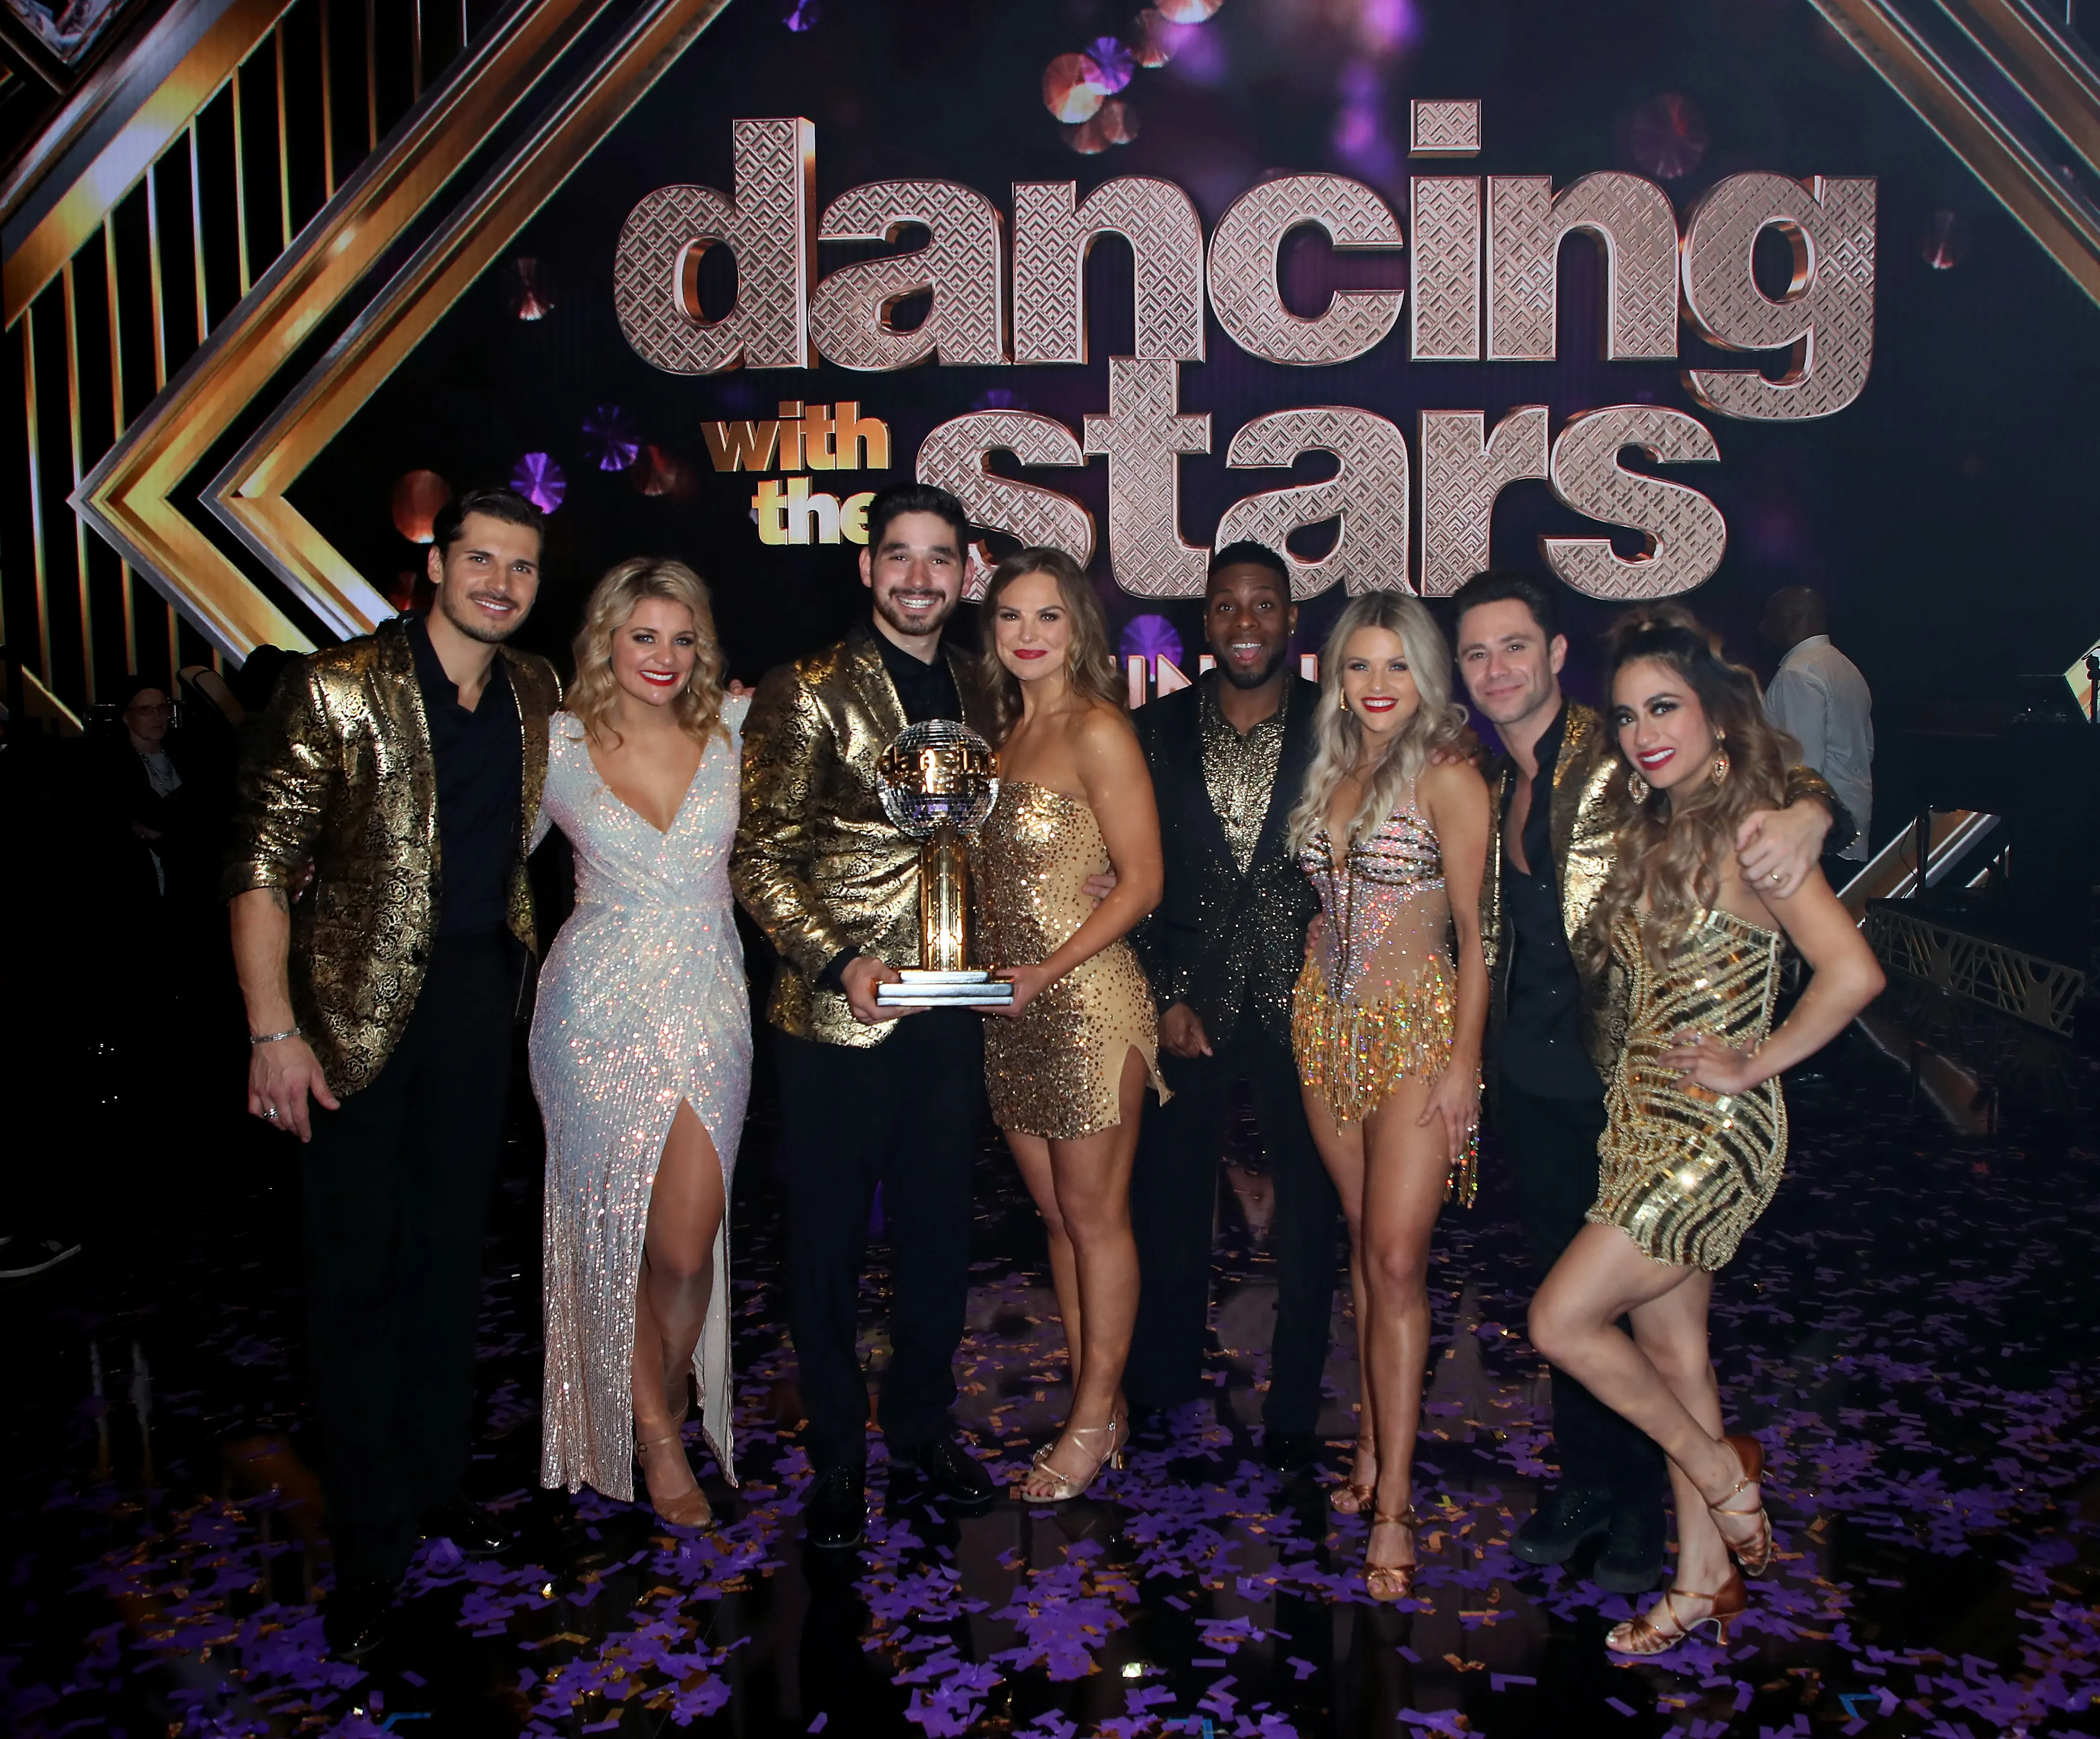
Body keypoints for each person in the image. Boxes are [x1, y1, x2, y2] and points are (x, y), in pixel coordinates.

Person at [1449, 569, 1848, 1596]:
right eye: (1475, 653)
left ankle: (1678, 1494)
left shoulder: (1619, 755)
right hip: (1549, 1083)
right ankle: (1657, 1545)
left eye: (1514, 645)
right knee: (1648, 1339)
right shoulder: (1496, 777)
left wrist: (1812, 807)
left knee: (1575, 1316)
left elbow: (1767, 771)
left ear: (1554, 655)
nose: (1496, 669)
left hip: (1639, 1087)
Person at [224, 487, 560, 1657]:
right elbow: (260, 865)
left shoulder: (533, 689)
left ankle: (436, 1486)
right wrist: (272, 1030)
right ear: (437, 565)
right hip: (346, 1027)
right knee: (354, 1284)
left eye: (522, 566)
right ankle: (369, 1540)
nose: (501, 583)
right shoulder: (336, 686)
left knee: (449, 1267)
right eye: (483, 559)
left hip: (476, 1011)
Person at [1527, 606, 1884, 1654]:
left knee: (1560, 1320)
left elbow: (1853, 971)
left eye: (1664, 707)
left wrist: (1757, 1061)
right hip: (1640, 1120)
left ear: (1716, 716)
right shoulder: (1658, 822)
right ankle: (1699, 1578)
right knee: (1676, 1352)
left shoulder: (1753, 827)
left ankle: (1726, 1472)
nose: (1643, 732)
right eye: (1628, 714)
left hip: (1708, 1133)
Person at [732, 482, 1000, 1551]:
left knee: (939, 1234)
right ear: (866, 566)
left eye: (939, 558)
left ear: (964, 573)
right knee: (827, 1244)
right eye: (899, 555)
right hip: (833, 1015)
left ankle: (924, 1426)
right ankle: (840, 1450)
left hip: (951, 1010)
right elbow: (761, 855)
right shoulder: (805, 688)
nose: (919, 577)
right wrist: (838, 960)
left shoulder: (986, 682)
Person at [531, 559, 751, 1529]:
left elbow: (841, 817)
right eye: (644, 635)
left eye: (682, 637)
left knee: (684, 1245)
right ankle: (658, 1434)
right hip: (592, 1012)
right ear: (606, 639)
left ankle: (651, 1388)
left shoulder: (737, 728)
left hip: (709, 1003)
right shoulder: (555, 743)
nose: (665, 655)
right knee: (610, 1234)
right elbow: (469, 848)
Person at [1286, 593, 1490, 1600]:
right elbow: (1323, 909)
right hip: (1322, 1027)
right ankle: (1370, 1441)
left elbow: (1479, 935)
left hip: (1417, 1032)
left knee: (1400, 1258)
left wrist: (1462, 1062)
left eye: (1397, 666)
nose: (1377, 685)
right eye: (1360, 666)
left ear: (1426, 676)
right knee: (1365, 1238)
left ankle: (1397, 1505)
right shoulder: (1333, 767)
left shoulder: (1449, 775)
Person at [1126, 542, 1339, 1476]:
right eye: (1225, 605)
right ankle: (1161, 1381)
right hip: (1192, 1001)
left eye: (1263, 604)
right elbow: (1130, 870)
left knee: (1311, 1213)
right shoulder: (1152, 730)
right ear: (1205, 621)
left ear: (1291, 618)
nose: (1244, 622)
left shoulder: (1343, 721)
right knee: (1169, 1202)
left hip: (1310, 998)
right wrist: (1165, 993)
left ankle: (1295, 1400)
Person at [974, 547, 1166, 1502]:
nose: (1028, 633)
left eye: (1047, 615)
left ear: (1077, 627)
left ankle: (1090, 1422)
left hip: (1087, 1001)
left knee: (1095, 1217)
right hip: (1009, 1010)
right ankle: (1102, 1401)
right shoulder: (1001, 739)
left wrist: (1046, 971)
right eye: (1011, 615)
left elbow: (1143, 881)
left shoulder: (1098, 728)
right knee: (1056, 1216)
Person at [1759, 586, 1873, 888]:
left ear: (1793, 618)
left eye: (1768, 618)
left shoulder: (1798, 673)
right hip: (1847, 822)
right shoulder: (1845, 667)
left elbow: (1804, 767)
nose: (1762, 628)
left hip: (1818, 831)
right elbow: (1865, 750)